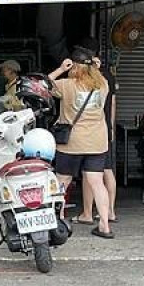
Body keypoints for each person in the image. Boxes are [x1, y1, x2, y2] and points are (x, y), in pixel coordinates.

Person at [48, 47, 113, 239]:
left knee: (62, 181)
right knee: (97, 183)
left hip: (71, 143)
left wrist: (60, 69)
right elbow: (97, 77)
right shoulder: (103, 84)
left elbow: (42, 85)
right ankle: (104, 225)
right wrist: (97, 69)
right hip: (96, 143)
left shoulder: (67, 85)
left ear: (73, 66)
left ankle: (57, 221)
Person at [74, 38, 118, 225]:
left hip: (90, 130)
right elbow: (113, 103)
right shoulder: (107, 75)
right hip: (105, 128)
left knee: (90, 173)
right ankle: (110, 212)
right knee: (107, 171)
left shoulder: (82, 78)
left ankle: (87, 213)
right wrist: (112, 127)